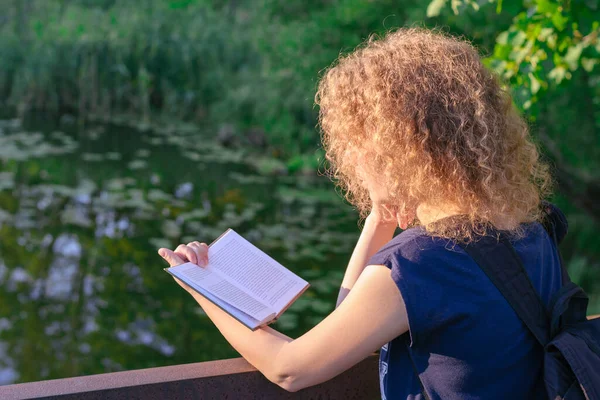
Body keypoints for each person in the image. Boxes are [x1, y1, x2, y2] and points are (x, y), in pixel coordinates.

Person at [158, 28, 559, 399]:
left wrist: (201, 288)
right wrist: (380, 219)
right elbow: (350, 320)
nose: (350, 160)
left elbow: (289, 369)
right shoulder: (531, 229)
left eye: (355, 145)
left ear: (395, 150)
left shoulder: (419, 262)